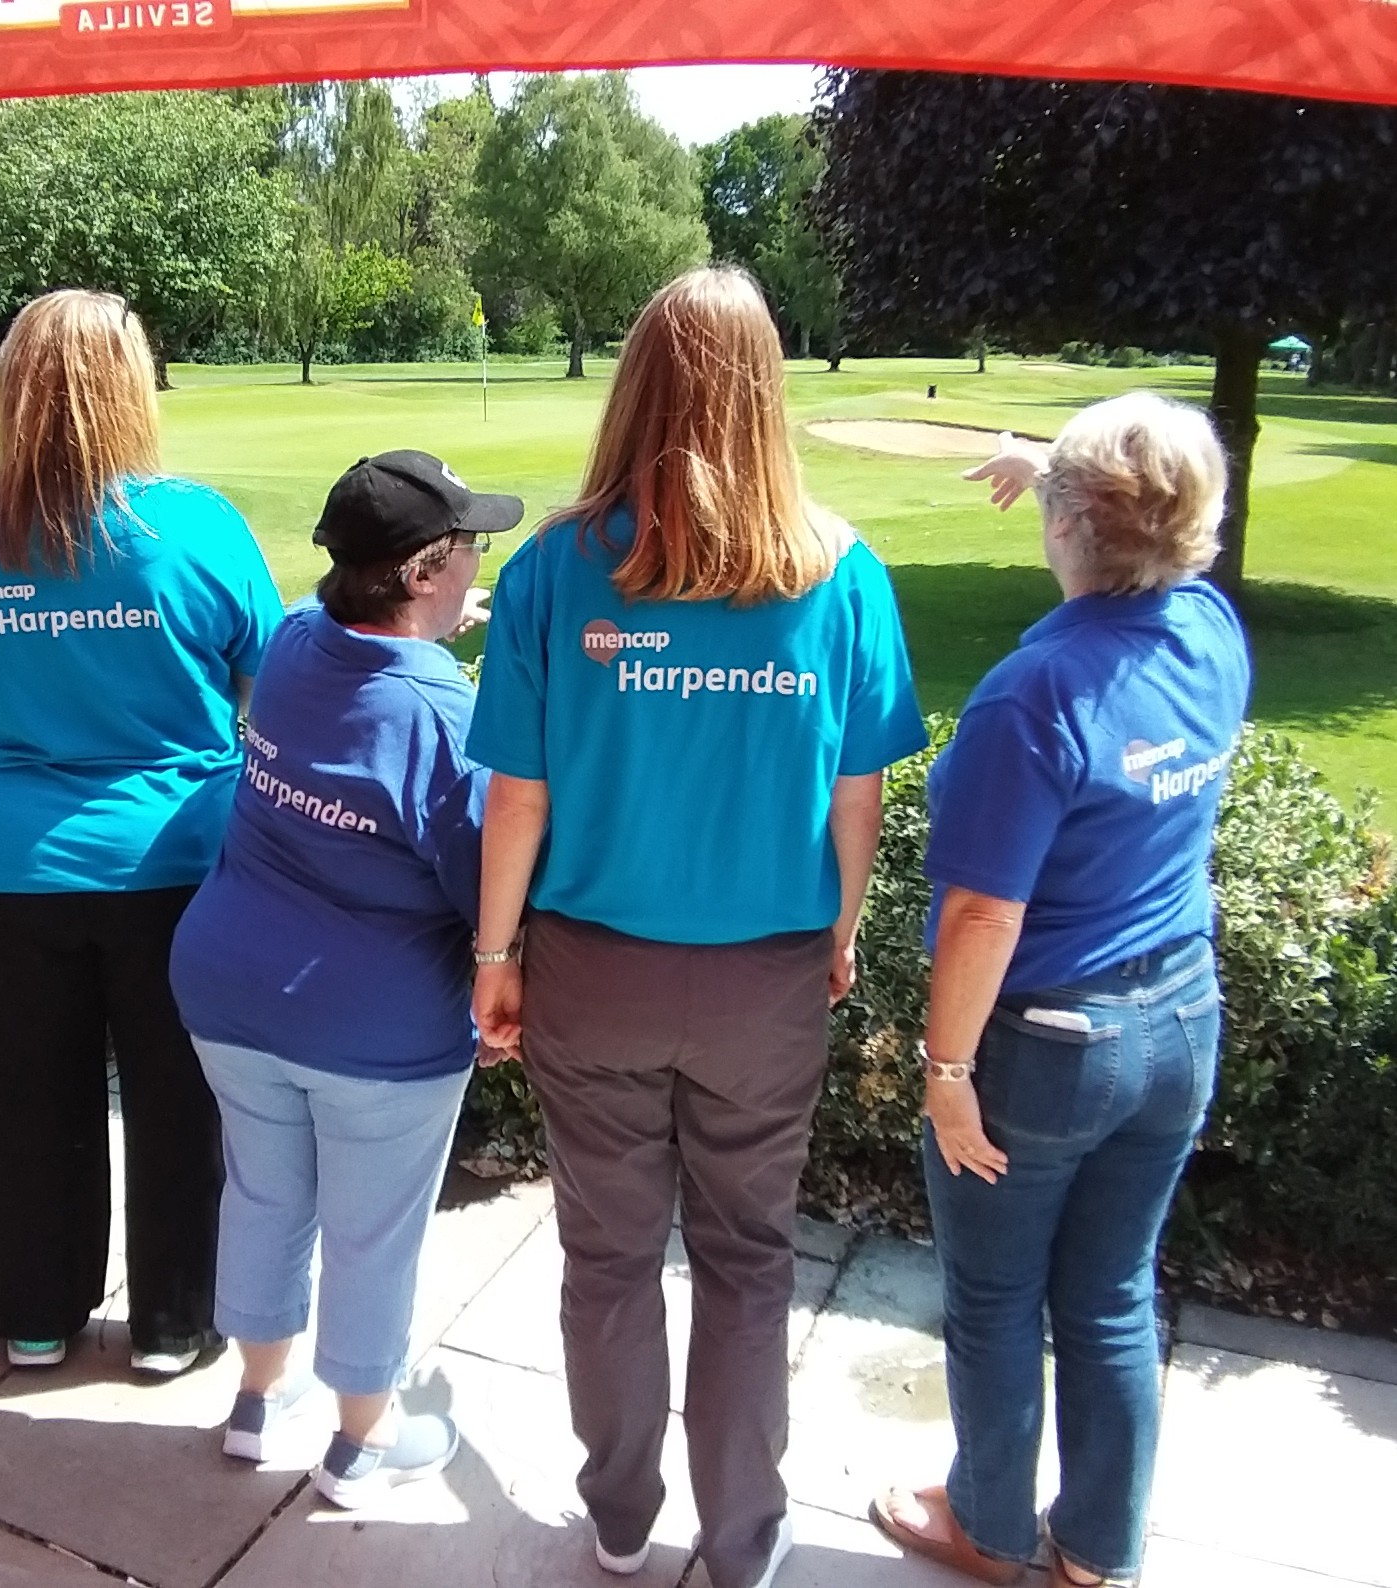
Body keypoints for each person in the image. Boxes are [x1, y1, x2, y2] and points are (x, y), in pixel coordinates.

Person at [467, 265, 928, 1588]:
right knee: (747, 1264)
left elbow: (518, 799)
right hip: (763, 983)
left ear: (635, 386)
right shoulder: (839, 571)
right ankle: (741, 1540)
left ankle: (619, 1515)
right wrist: (841, 929)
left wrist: (496, 958)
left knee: (604, 1259)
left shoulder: (559, 566)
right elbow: (859, 795)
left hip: (593, 972)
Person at [871, 394, 1248, 1588]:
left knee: (994, 1297)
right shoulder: (1209, 628)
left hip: (1045, 1049)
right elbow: (1148, 534)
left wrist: (940, 1077)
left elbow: (983, 913)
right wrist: (1055, 469)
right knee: (1109, 1298)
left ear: (1076, 521)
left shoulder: (1030, 696)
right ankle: (1095, 1555)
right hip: (1179, 1018)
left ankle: (984, 1527)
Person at [0, 289, 284, 1377]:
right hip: (170, 860)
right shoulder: (197, 525)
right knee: (179, 1100)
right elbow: (265, 676)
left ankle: (35, 1312)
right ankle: (174, 1320)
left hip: (5, 862)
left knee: (22, 1100)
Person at [170, 451, 519, 1507]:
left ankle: (256, 1400)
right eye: (465, 550)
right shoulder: (440, 714)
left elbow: (354, 661)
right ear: (420, 570)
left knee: (265, 1192)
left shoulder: (289, 639)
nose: (473, 566)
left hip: (228, 985)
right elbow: (479, 886)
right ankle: (363, 1440)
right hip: (373, 1026)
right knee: (373, 1229)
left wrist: (434, 638)